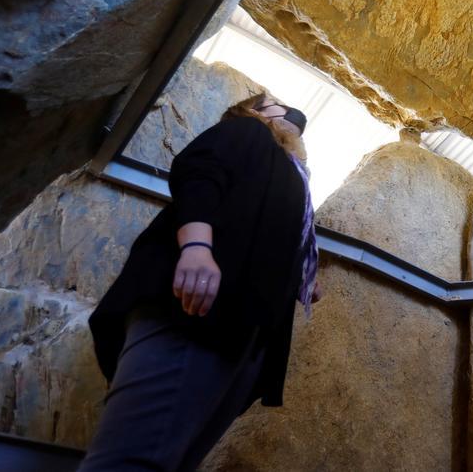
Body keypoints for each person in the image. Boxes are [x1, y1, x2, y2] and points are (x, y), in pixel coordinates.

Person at [79, 92, 323, 471]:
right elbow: (200, 170)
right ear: (254, 111)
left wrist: (297, 277)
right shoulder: (247, 132)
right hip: (197, 311)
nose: (290, 110)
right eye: (275, 101)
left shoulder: (290, 171)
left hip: (240, 334)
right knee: (130, 461)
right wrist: (196, 246)